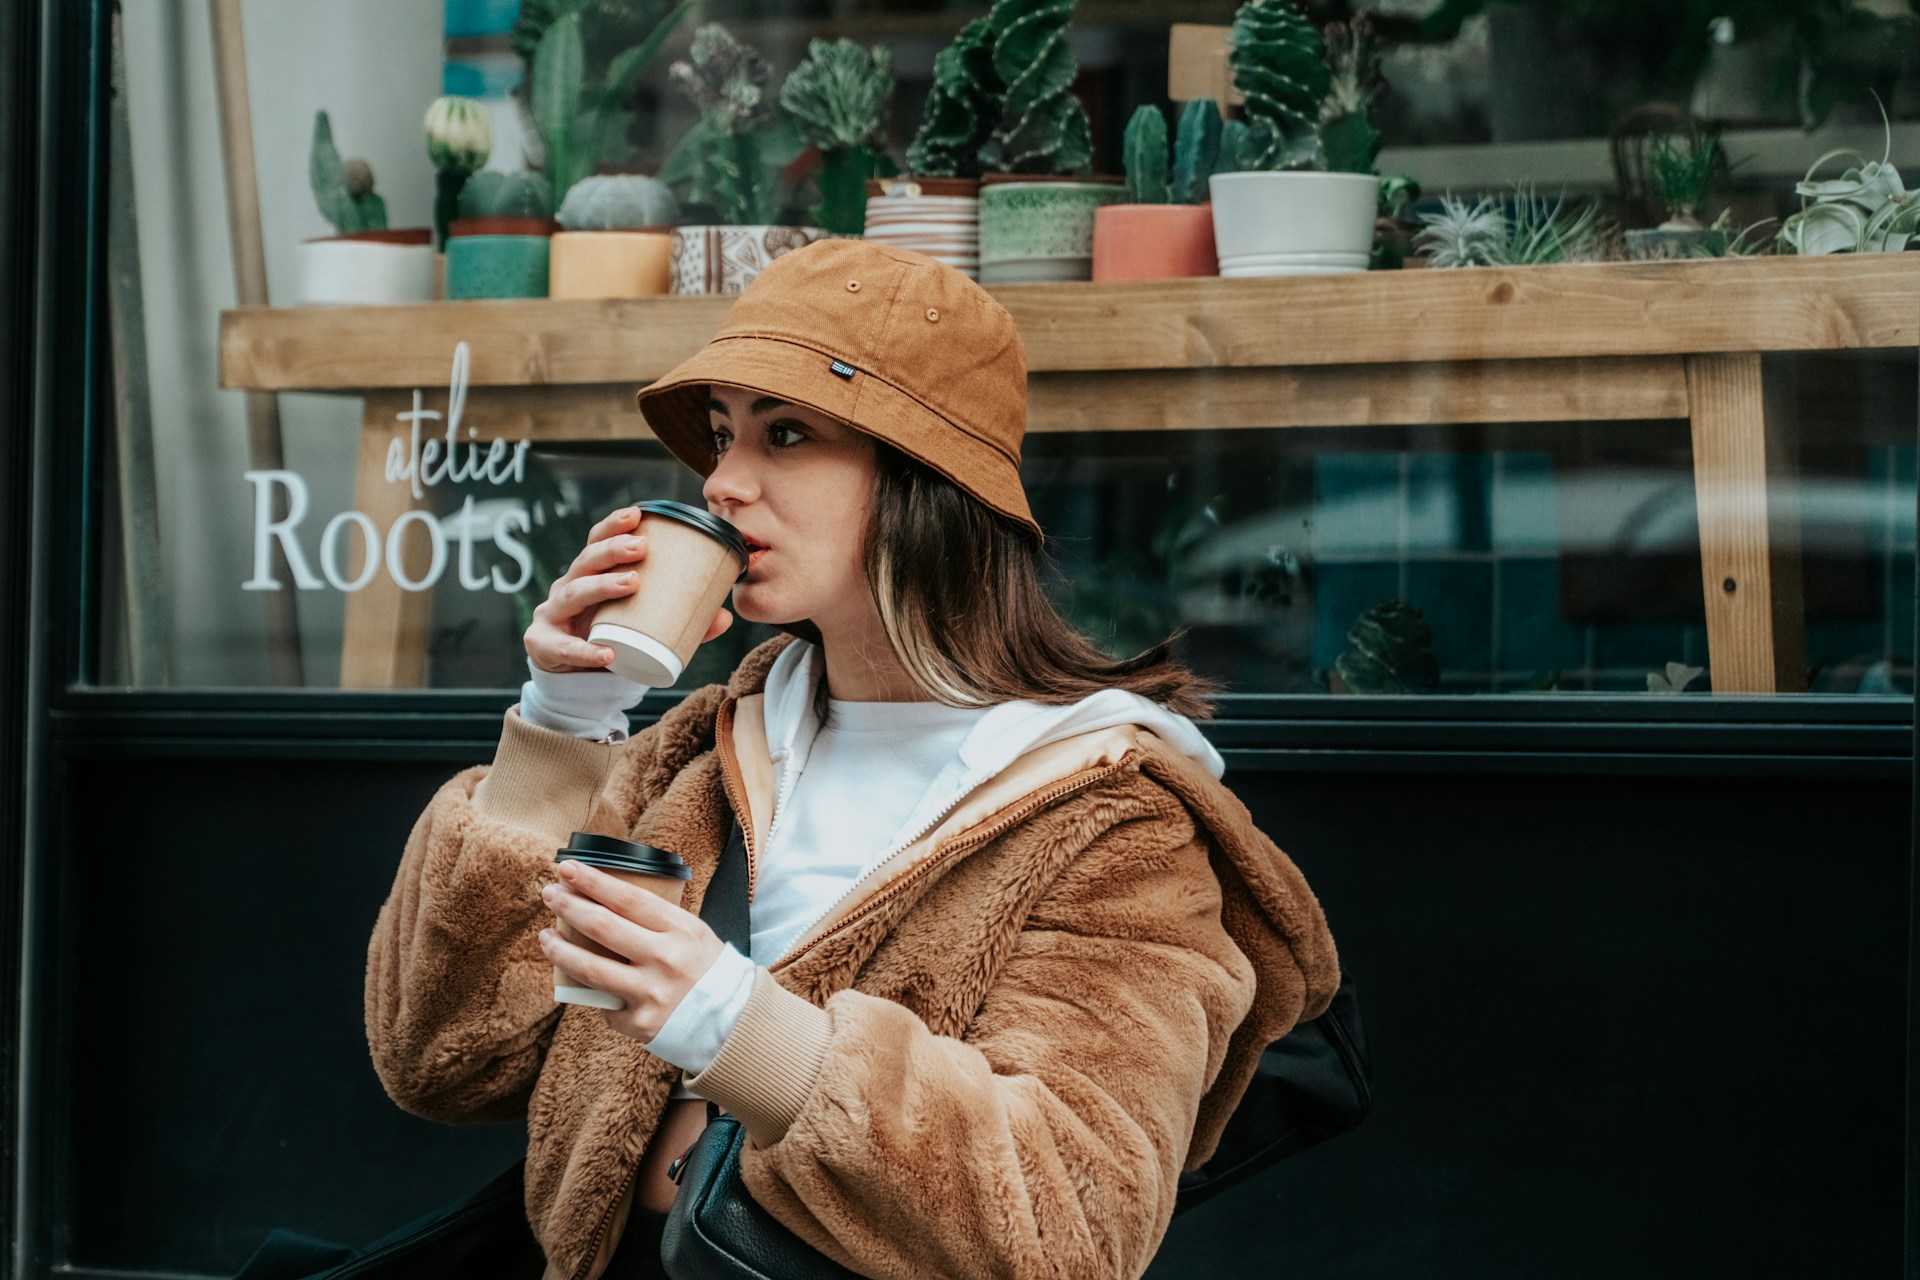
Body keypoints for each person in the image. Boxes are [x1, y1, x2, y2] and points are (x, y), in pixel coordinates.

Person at [364, 239, 1342, 1280]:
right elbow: (444, 1058)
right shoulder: (700, 749)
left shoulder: (1108, 816)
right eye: (721, 435)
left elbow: (1068, 1219)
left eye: (786, 434)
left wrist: (734, 1023)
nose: (724, 482)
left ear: (927, 477)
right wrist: (561, 721)